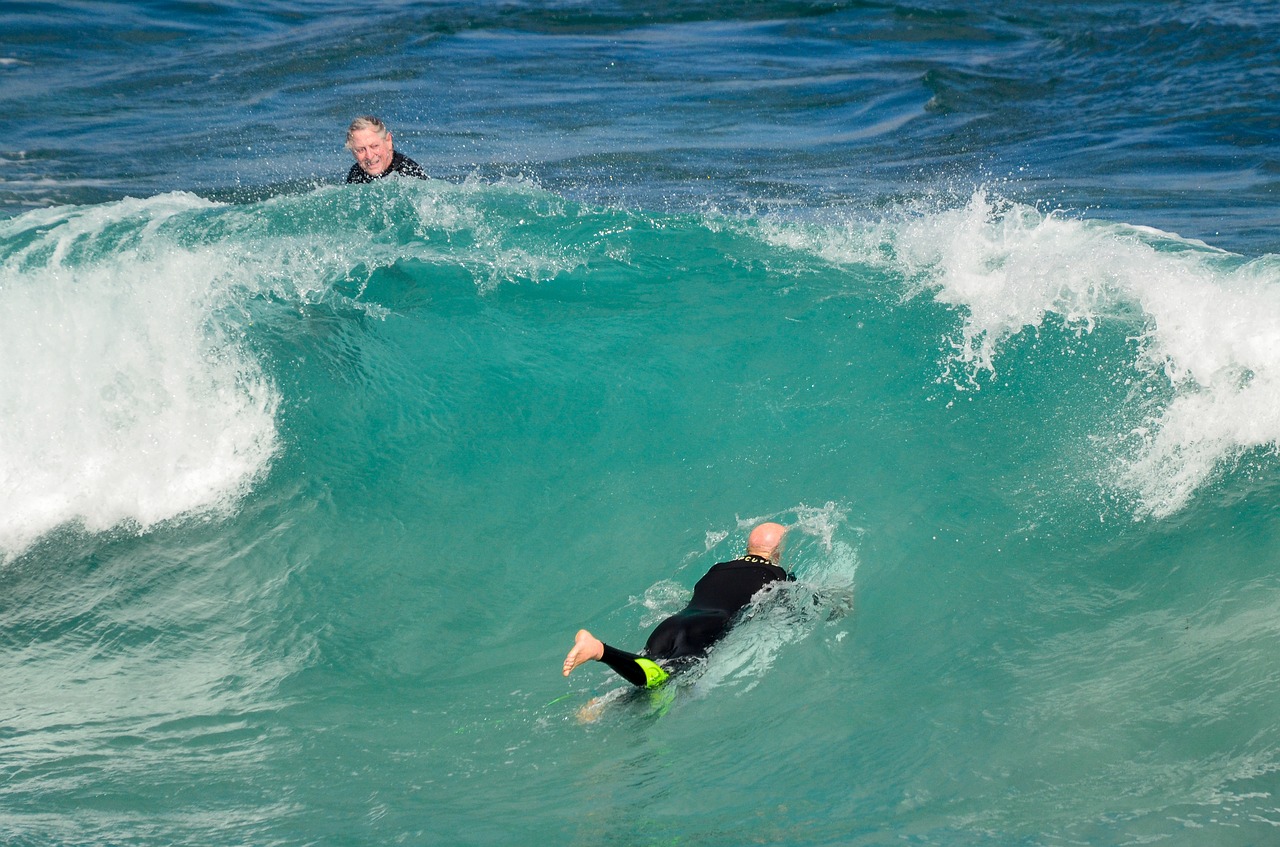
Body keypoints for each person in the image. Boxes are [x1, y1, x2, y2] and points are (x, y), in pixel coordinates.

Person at [562, 522, 792, 689]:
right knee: (661, 677)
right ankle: (600, 650)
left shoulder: (718, 569)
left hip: (674, 624)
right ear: (778, 552)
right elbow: (792, 605)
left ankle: (603, 705)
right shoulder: (776, 574)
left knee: (651, 677)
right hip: (701, 630)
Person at [344, 116, 428, 183]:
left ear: (388, 141)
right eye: (360, 150)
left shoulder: (410, 172)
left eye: (374, 146)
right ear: (353, 152)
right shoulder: (355, 174)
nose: (369, 156)